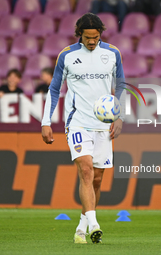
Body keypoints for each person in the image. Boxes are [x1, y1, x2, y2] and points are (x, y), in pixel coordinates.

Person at [41, 13, 125, 244]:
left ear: (101, 34)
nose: (91, 41)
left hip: (104, 125)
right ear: (80, 34)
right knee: (86, 170)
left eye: (95, 37)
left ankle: (82, 227)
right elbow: (54, 89)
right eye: (87, 37)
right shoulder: (67, 55)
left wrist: (119, 117)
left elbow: (121, 86)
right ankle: (95, 224)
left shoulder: (112, 53)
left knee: (97, 180)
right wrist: (45, 122)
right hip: (77, 122)